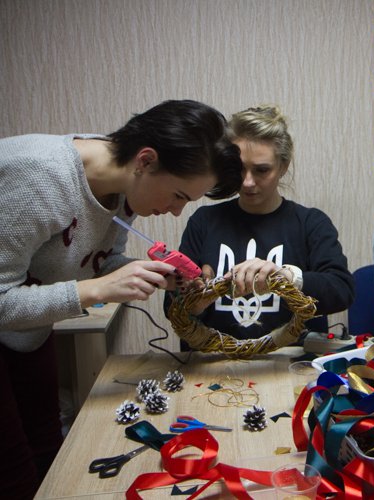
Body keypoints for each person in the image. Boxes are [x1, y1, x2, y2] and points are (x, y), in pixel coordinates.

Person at [0, 99, 242, 499]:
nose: (176, 212)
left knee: (48, 450)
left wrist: (151, 274)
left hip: (26, 333)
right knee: (13, 473)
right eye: (178, 196)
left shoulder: (121, 186)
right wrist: (96, 290)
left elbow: (96, 259)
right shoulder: (39, 177)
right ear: (146, 160)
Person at [166, 105, 354, 340]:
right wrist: (194, 302)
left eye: (262, 170)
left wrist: (288, 277)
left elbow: (342, 291)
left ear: (283, 166)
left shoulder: (310, 223)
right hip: (212, 357)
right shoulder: (204, 221)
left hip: (291, 357)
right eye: (238, 168)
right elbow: (171, 306)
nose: (247, 182)